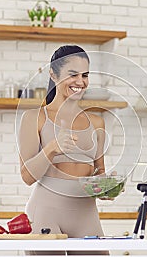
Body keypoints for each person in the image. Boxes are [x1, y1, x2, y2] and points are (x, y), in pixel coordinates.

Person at [18, 45, 109, 255]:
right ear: (53, 74)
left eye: (85, 75)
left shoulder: (97, 122)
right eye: (73, 74)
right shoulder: (35, 118)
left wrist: (107, 187)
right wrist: (51, 148)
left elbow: (99, 172)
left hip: (86, 213)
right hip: (45, 212)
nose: (80, 81)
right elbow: (26, 176)